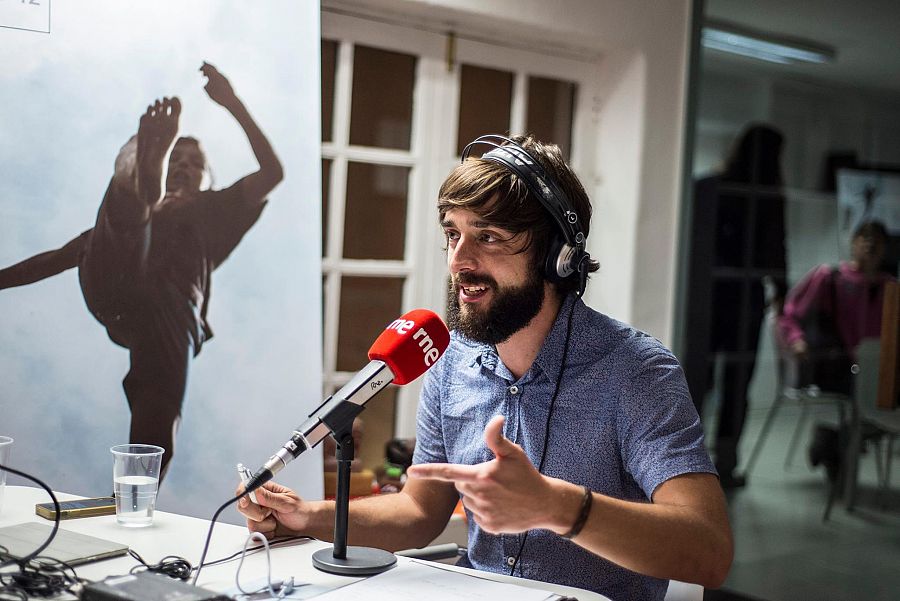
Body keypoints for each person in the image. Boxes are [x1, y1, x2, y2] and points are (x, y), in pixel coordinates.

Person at [238, 135, 732, 600]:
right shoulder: (451, 361)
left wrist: (557, 507)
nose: (459, 261)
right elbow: (417, 510)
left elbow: (709, 551)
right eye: (452, 234)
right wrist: (305, 516)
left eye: (489, 236)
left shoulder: (636, 371)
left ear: (557, 256)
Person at [0, 62, 283, 480]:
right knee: (121, 225)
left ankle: (136, 491)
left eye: (194, 163)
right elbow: (54, 259)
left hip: (170, 313)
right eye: (177, 160)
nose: (185, 167)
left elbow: (271, 172)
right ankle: (134, 180)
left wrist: (231, 102)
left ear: (206, 178)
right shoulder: (115, 235)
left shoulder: (213, 211)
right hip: (118, 285)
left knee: (157, 412)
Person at [683, 124, 787, 488]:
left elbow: (690, 245)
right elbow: (777, 251)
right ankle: (725, 465)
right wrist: (782, 290)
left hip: (707, 296)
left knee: (700, 378)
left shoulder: (709, 186)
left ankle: (686, 464)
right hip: (744, 300)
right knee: (735, 384)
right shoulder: (767, 195)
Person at [778, 220, 895, 393]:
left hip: (877, 371)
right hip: (833, 366)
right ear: (854, 242)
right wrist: (796, 339)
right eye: (866, 238)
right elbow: (789, 314)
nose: (870, 245)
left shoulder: (889, 288)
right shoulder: (830, 278)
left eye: (877, 241)